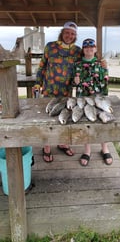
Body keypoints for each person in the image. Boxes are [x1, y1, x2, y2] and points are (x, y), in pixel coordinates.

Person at [35, 21, 81, 162]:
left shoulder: (77, 51)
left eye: (72, 34)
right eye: (67, 33)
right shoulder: (50, 46)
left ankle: (62, 142)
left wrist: (101, 62)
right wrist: (38, 83)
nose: (69, 36)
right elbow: (42, 67)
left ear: (75, 36)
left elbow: (82, 68)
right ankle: (46, 146)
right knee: (47, 117)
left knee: (64, 116)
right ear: (62, 32)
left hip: (66, 91)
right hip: (49, 88)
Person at [73, 38, 113, 167]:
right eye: (86, 47)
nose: (89, 49)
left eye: (91, 47)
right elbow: (73, 82)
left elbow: (106, 79)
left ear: (95, 49)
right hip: (83, 97)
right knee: (86, 122)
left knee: (104, 121)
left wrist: (106, 68)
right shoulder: (77, 64)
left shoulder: (101, 63)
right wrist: (76, 81)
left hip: (99, 97)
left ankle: (105, 148)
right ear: (83, 50)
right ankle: (87, 150)